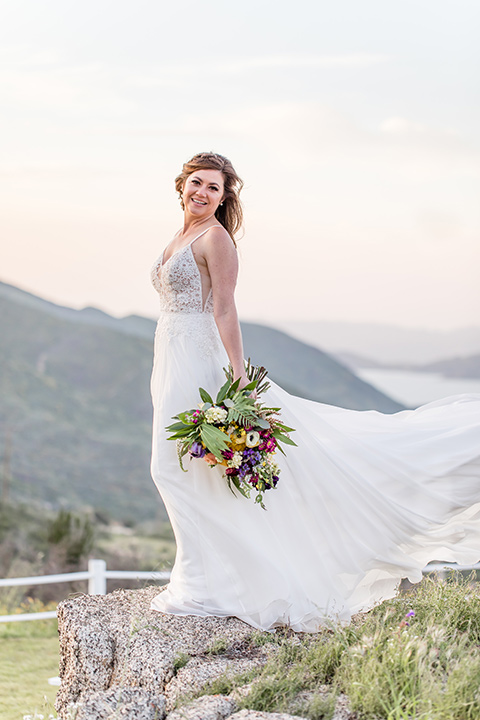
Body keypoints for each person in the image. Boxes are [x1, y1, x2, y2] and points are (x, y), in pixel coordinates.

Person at [150, 151, 480, 632]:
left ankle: (208, 584)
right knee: (183, 470)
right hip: (171, 363)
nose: (202, 193)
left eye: (214, 188)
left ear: (223, 199)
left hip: (201, 366)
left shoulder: (216, 238)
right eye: (197, 183)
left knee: (176, 468)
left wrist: (238, 380)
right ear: (181, 184)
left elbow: (225, 311)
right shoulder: (179, 236)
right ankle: (209, 580)